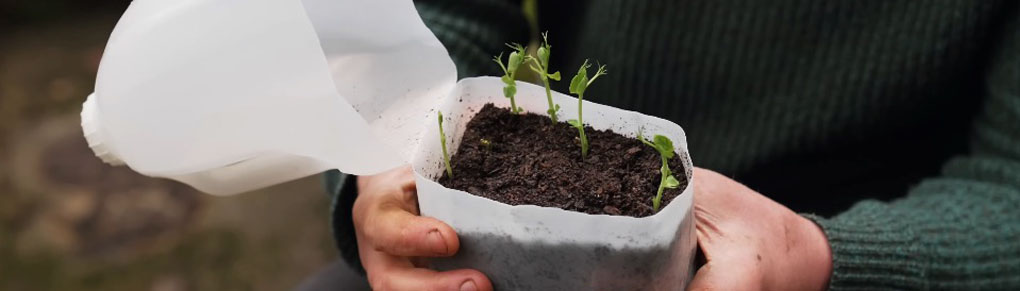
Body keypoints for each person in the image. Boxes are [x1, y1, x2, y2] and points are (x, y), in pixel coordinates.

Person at [303, 0, 1020, 290]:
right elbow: (435, 15)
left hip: (852, 245)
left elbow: (1008, 187)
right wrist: (386, 154)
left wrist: (819, 255)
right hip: (487, 246)